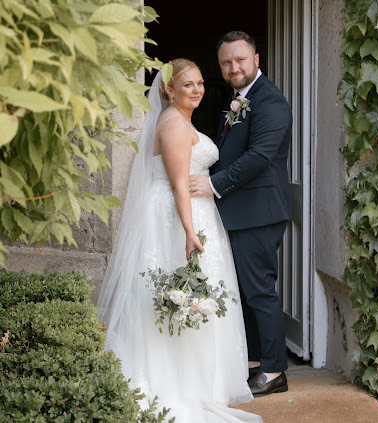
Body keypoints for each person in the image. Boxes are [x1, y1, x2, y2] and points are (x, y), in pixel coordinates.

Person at [97, 59, 261, 423]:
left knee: (196, 298)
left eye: (200, 82)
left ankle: (201, 380)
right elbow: (178, 184)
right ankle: (179, 381)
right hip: (178, 216)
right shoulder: (172, 124)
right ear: (169, 90)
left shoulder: (180, 119)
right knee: (183, 293)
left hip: (194, 213)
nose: (197, 89)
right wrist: (189, 231)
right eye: (188, 84)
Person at [189, 31, 292, 397]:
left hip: (258, 213)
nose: (234, 68)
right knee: (244, 291)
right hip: (239, 211)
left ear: (256, 59)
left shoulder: (270, 102)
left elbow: (259, 157)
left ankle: (275, 369)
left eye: (240, 60)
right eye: (226, 63)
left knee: (260, 291)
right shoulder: (240, 99)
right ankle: (252, 362)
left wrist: (213, 185)